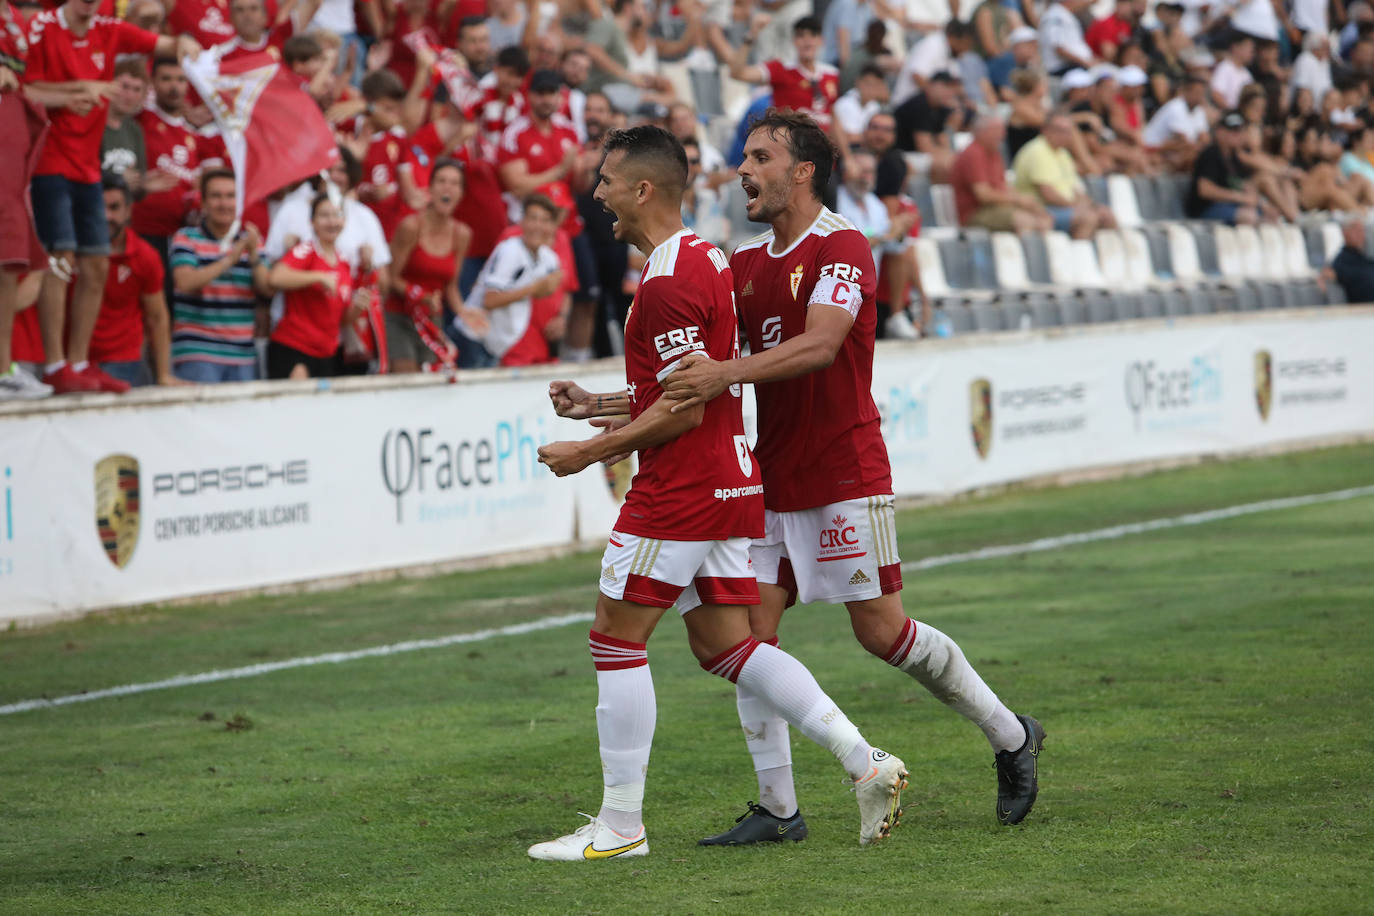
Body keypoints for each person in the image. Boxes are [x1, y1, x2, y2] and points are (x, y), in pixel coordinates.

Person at [660, 109, 1043, 844]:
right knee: (749, 639)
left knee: (882, 633)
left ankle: (1011, 735)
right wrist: (612, 408)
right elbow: (700, 367)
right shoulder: (741, 262)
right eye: (744, 156)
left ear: (802, 171)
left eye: (760, 156)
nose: (744, 169)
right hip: (770, 482)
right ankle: (778, 810)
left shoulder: (843, 247)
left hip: (843, 471)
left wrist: (724, 376)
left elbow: (821, 344)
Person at [531, 124, 909, 860]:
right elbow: (681, 383)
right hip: (735, 483)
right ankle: (867, 762)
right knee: (728, 647)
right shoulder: (708, 258)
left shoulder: (669, 281)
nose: (597, 193)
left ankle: (619, 828)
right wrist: (599, 404)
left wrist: (591, 451)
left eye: (606, 181)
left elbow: (686, 406)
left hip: (683, 487)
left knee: (615, 638)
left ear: (643, 189)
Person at [22, 0, 201, 393]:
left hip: (89, 169)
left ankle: (79, 361)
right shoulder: (44, 28)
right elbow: (25, 89)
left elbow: (166, 43)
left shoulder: (109, 30)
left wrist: (185, 43)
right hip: (50, 161)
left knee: (97, 264)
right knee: (60, 259)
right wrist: (75, 92)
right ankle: (54, 365)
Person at [499, 68, 596, 362]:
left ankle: (575, 359)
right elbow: (515, 184)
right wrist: (560, 170)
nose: (546, 99)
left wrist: (586, 169)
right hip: (529, 228)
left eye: (551, 93)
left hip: (568, 226)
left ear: (559, 97)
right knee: (536, 298)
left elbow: (580, 185)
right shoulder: (515, 132)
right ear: (529, 96)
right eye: (540, 93)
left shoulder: (568, 129)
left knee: (585, 296)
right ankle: (529, 357)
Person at [169, 169, 272, 382]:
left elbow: (267, 289)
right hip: (198, 352)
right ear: (204, 203)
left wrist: (253, 255)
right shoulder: (186, 238)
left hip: (243, 355)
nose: (224, 203)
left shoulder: (252, 241)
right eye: (216, 196)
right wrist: (229, 260)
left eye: (230, 196)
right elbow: (185, 282)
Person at [386, 158, 485, 371]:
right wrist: (419, 295)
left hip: (432, 318)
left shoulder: (462, 234)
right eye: (441, 181)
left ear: (461, 193)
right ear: (430, 188)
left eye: (454, 183)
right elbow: (390, 279)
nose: (447, 187)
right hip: (398, 314)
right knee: (407, 377)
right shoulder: (411, 226)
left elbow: (451, 286)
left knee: (431, 384)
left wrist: (465, 312)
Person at [89, 176, 178, 388]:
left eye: (114, 207)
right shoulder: (71, 254)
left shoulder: (144, 255)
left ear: (128, 211)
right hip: (78, 362)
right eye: (98, 207)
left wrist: (164, 374)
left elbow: (157, 317)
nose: (106, 215)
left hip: (125, 361)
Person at [267, 195, 369, 379]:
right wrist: (318, 277)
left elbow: (342, 318)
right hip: (295, 347)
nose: (331, 221)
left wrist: (358, 307)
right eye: (324, 215)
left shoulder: (344, 263)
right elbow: (275, 277)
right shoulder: (307, 251)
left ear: (344, 221)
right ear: (312, 222)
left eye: (336, 215)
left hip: (327, 352)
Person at [464, 194, 563, 366]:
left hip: (496, 343)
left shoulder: (549, 258)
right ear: (522, 221)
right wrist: (533, 288)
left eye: (545, 220)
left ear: (553, 226)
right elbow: (489, 300)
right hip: (474, 338)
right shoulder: (510, 251)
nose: (538, 226)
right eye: (533, 218)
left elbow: (550, 287)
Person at [1013, 112, 1116, 238]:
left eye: (1068, 131)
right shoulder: (1037, 151)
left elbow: (1075, 187)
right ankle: (1077, 254)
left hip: (1064, 207)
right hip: (1044, 209)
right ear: (1046, 130)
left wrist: (1088, 205)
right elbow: (1048, 194)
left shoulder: (1062, 153)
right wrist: (1076, 206)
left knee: (1106, 215)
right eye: (1060, 130)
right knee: (1088, 218)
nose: (1066, 135)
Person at [728, 16, 840, 129]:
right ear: (794, 41)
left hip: (822, 143)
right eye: (801, 35)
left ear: (821, 40)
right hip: (790, 142)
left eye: (813, 35)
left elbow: (834, 118)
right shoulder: (781, 68)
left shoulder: (832, 74)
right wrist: (751, 35)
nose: (807, 41)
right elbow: (737, 73)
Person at [953, 114, 1053, 233]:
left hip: (995, 208)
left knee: (1042, 216)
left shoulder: (994, 153)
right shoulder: (973, 154)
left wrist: (1028, 203)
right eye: (997, 130)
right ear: (982, 131)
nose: (1002, 135)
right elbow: (983, 195)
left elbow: (1003, 186)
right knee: (1025, 220)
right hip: (974, 213)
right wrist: (1018, 200)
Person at [1185, 110, 1260, 224]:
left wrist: (1254, 199)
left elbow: (1246, 184)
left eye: (1239, 131)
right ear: (1219, 131)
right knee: (1248, 217)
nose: (1237, 135)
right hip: (1207, 209)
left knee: (1268, 214)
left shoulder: (1235, 157)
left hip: (1229, 206)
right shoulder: (1210, 154)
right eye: (1232, 130)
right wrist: (1238, 197)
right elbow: (1205, 190)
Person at [1142, 74, 1211, 173]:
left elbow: (1205, 139)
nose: (1199, 96)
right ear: (1186, 92)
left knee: (1199, 153)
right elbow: (1184, 140)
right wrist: (1200, 147)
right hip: (1153, 148)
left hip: (1171, 150)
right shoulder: (1175, 107)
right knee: (1189, 151)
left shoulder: (1198, 110)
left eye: (1202, 93)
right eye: (1197, 92)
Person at [1330, 217, 1374, 302]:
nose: (1360, 235)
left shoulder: (1366, 259)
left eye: (1361, 231)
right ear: (1344, 233)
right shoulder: (1341, 261)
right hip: (1361, 309)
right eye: (1355, 230)